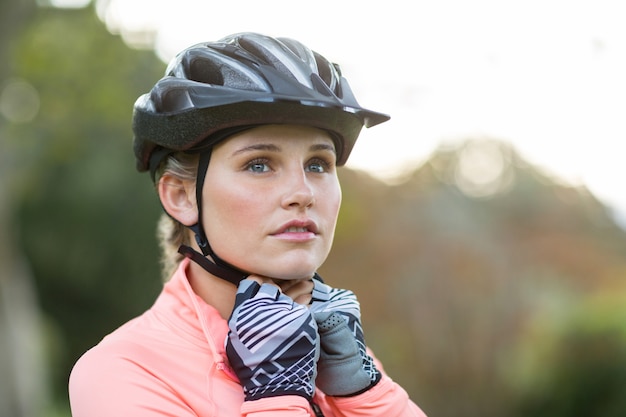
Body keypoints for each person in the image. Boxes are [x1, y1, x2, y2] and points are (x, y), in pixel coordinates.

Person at [68, 32, 428, 417]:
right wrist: (278, 395)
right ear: (181, 196)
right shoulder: (121, 373)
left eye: (318, 164)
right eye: (259, 164)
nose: (302, 192)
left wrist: (365, 396)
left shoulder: (336, 349)